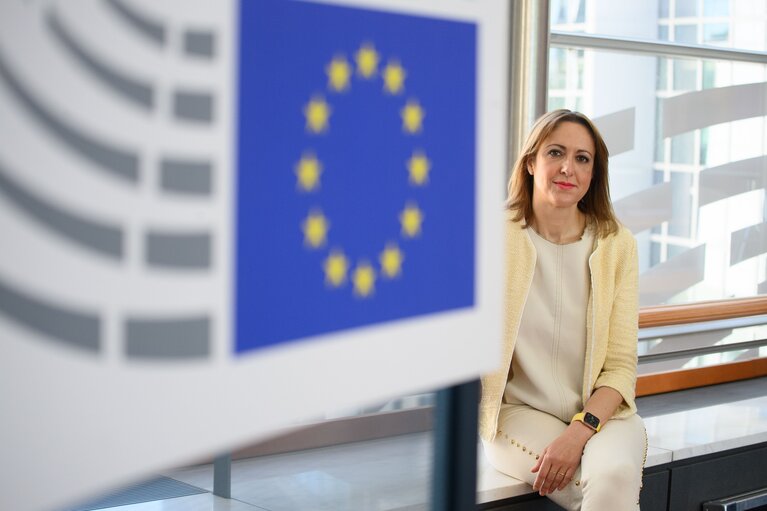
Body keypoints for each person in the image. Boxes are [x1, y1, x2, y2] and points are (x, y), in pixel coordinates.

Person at [480, 109, 647, 510]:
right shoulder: (491, 237)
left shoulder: (616, 245)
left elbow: (621, 365)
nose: (567, 168)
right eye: (555, 152)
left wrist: (579, 432)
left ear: (593, 174)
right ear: (531, 162)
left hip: (602, 415)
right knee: (590, 487)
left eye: (582, 158)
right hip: (518, 414)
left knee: (613, 477)